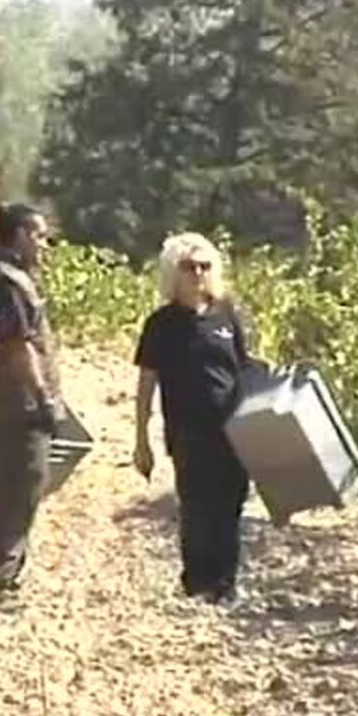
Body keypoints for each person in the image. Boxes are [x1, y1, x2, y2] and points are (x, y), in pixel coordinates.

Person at [132, 232, 253, 604]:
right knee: (198, 505)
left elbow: (244, 368)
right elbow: (146, 383)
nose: (198, 274)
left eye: (204, 266)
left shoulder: (226, 314)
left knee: (231, 504)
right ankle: (196, 580)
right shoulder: (161, 324)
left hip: (234, 428)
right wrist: (141, 439)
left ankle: (225, 582)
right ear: (173, 272)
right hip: (188, 430)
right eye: (189, 267)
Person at [0, 202, 62, 608]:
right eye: (39, 235)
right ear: (21, 235)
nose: (44, 245)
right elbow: (17, 347)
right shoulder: (9, 281)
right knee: (20, 490)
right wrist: (44, 399)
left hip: (8, 404)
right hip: (18, 406)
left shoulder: (0, 274)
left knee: (9, 490)